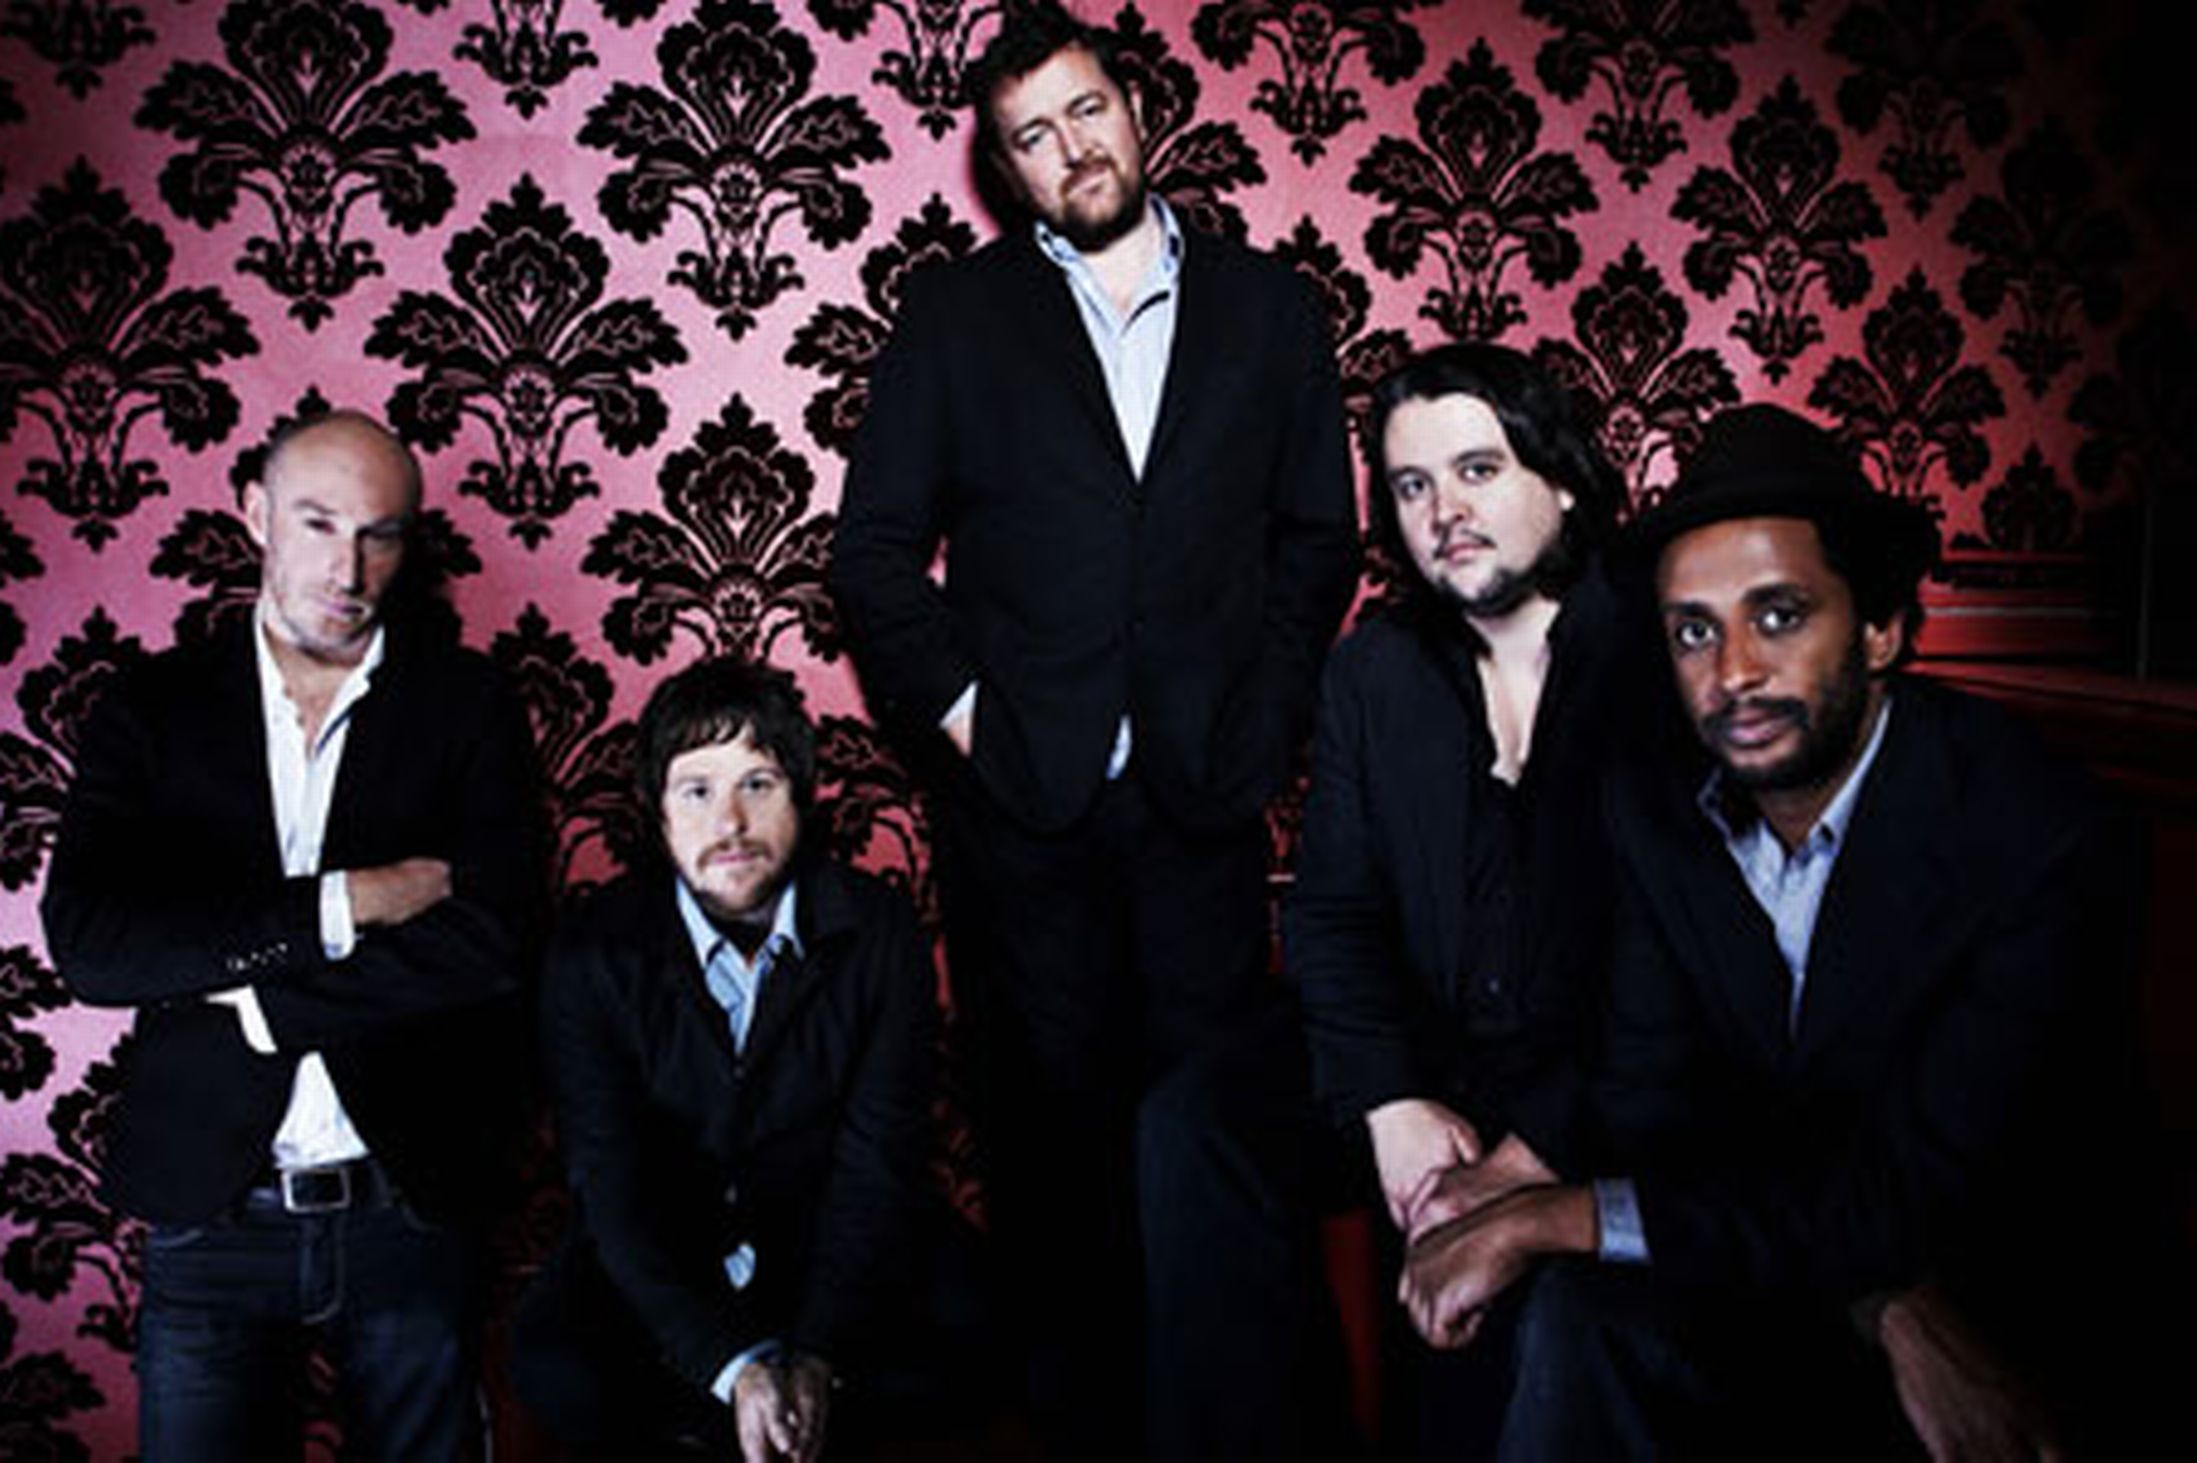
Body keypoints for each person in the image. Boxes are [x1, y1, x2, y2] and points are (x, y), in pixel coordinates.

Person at [1398, 402, 2168, 1459]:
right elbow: (1659, 1110)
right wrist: (1877, 1301)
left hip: (2003, 1296)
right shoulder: (1658, 813)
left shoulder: (2034, 832)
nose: (1733, 673)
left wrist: (1551, 1214)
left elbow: (1926, 1189)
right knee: (1577, 1318)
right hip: (1811, 1277)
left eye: (1779, 615)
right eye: (1693, 630)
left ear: (1881, 627)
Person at [828, 4, 1359, 1453]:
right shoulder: (957, 315)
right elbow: (873, 552)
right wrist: (971, 717)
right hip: (1024, 818)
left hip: (1203, 804)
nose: (1069, 148)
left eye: (1084, 111)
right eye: (1030, 136)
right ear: (1004, 170)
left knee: (1208, 1151)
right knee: (1051, 1159)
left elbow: (1318, 540)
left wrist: (1264, 722)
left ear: (1136, 109)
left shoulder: (1269, 307)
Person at [1138, 344, 1640, 1458]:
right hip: (1425, 1043)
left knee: (1469, 1387)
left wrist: (1523, 1155)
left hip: (1599, 1066)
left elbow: (1676, 959)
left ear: (1561, 480)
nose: (1442, 511)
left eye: (1476, 470)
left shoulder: (1655, 653)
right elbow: (1333, 912)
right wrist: (1387, 1097)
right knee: (1196, 1120)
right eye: (1413, 485)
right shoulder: (1376, 668)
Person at [42, 410, 545, 1461]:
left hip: (408, 1201)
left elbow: (496, 938)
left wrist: (266, 1001)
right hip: (211, 1211)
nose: (348, 569)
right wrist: (343, 904)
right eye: (317, 523)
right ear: (255, 513)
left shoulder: (467, 703)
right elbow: (94, 945)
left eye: (379, 534)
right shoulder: (153, 705)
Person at [515, 655, 945, 1463]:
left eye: (758, 783)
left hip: (822, 1242)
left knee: (973, 1329)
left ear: (802, 796)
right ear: (656, 811)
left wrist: (815, 1354)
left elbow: (877, 1159)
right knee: (557, 1365)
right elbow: (610, 1185)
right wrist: (733, 1366)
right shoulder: (592, 952)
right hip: (670, 1255)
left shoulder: (879, 931)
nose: (732, 823)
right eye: (697, 790)